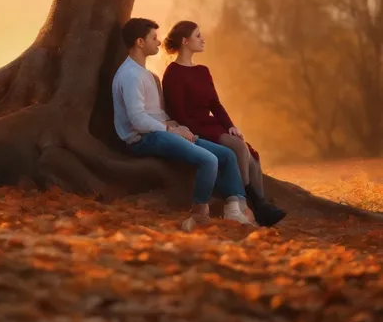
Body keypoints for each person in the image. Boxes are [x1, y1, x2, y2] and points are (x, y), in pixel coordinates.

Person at [112, 17, 254, 230]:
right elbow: (137, 119)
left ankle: (234, 210)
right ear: (140, 42)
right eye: (154, 38)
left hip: (161, 131)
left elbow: (157, 112)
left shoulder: (149, 75)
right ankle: (199, 213)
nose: (159, 43)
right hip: (143, 138)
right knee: (209, 160)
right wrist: (170, 130)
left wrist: (175, 125)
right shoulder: (130, 75)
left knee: (227, 155)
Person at [162, 20, 286, 228]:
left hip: (212, 124)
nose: (203, 39)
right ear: (185, 41)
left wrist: (231, 126)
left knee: (251, 156)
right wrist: (198, 130)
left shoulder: (203, 70)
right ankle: (245, 202)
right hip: (194, 127)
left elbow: (215, 104)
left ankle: (261, 208)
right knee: (238, 147)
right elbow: (178, 114)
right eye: (198, 35)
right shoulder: (173, 73)